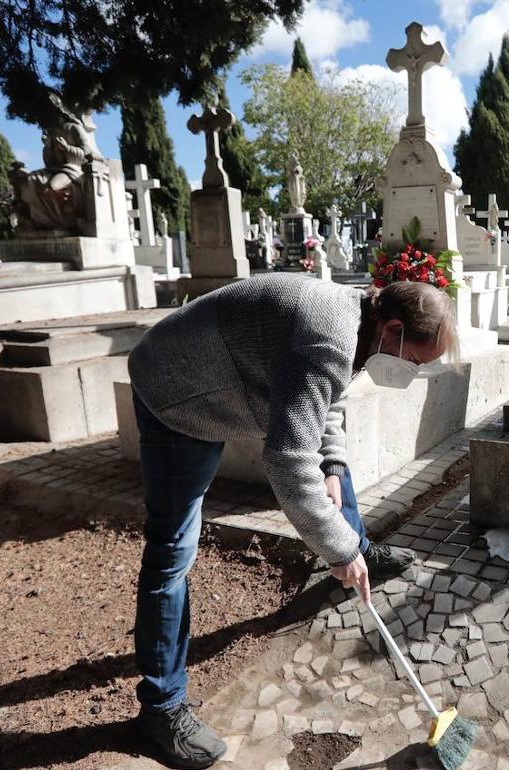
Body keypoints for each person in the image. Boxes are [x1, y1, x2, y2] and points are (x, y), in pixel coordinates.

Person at [126, 275, 458, 768]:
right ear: (393, 329)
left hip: (222, 375)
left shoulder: (360, 324)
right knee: (173, 549)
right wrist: (335, 548)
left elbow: (330, 398)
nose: (410, 372)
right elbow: (284, 460)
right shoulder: (328, 335)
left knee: (333, 481)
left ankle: (356, 549)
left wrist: (332, 464)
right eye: (414, 361)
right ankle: (161, 707)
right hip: (177, 390)